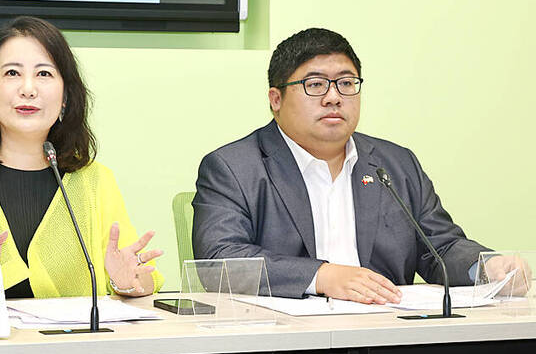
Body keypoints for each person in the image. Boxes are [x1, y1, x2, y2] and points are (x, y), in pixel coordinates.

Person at [192, 27, 525, 302]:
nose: (334, 97)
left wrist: (487, 267)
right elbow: (219, 260)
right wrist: (321, 275)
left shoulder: (395, 164)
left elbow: (441, 246)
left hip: (385, 341)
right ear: (276, 99)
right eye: (315, 84)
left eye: (346, 83)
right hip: (286, 350)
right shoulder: (234, 168)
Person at [0, 16, 163, 298]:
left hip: (68, 342)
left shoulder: (95, 180)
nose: (28, 89)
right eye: (12, 73)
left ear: (66, 97)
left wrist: (125, 282)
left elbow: (139, 279)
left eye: (44, 74)